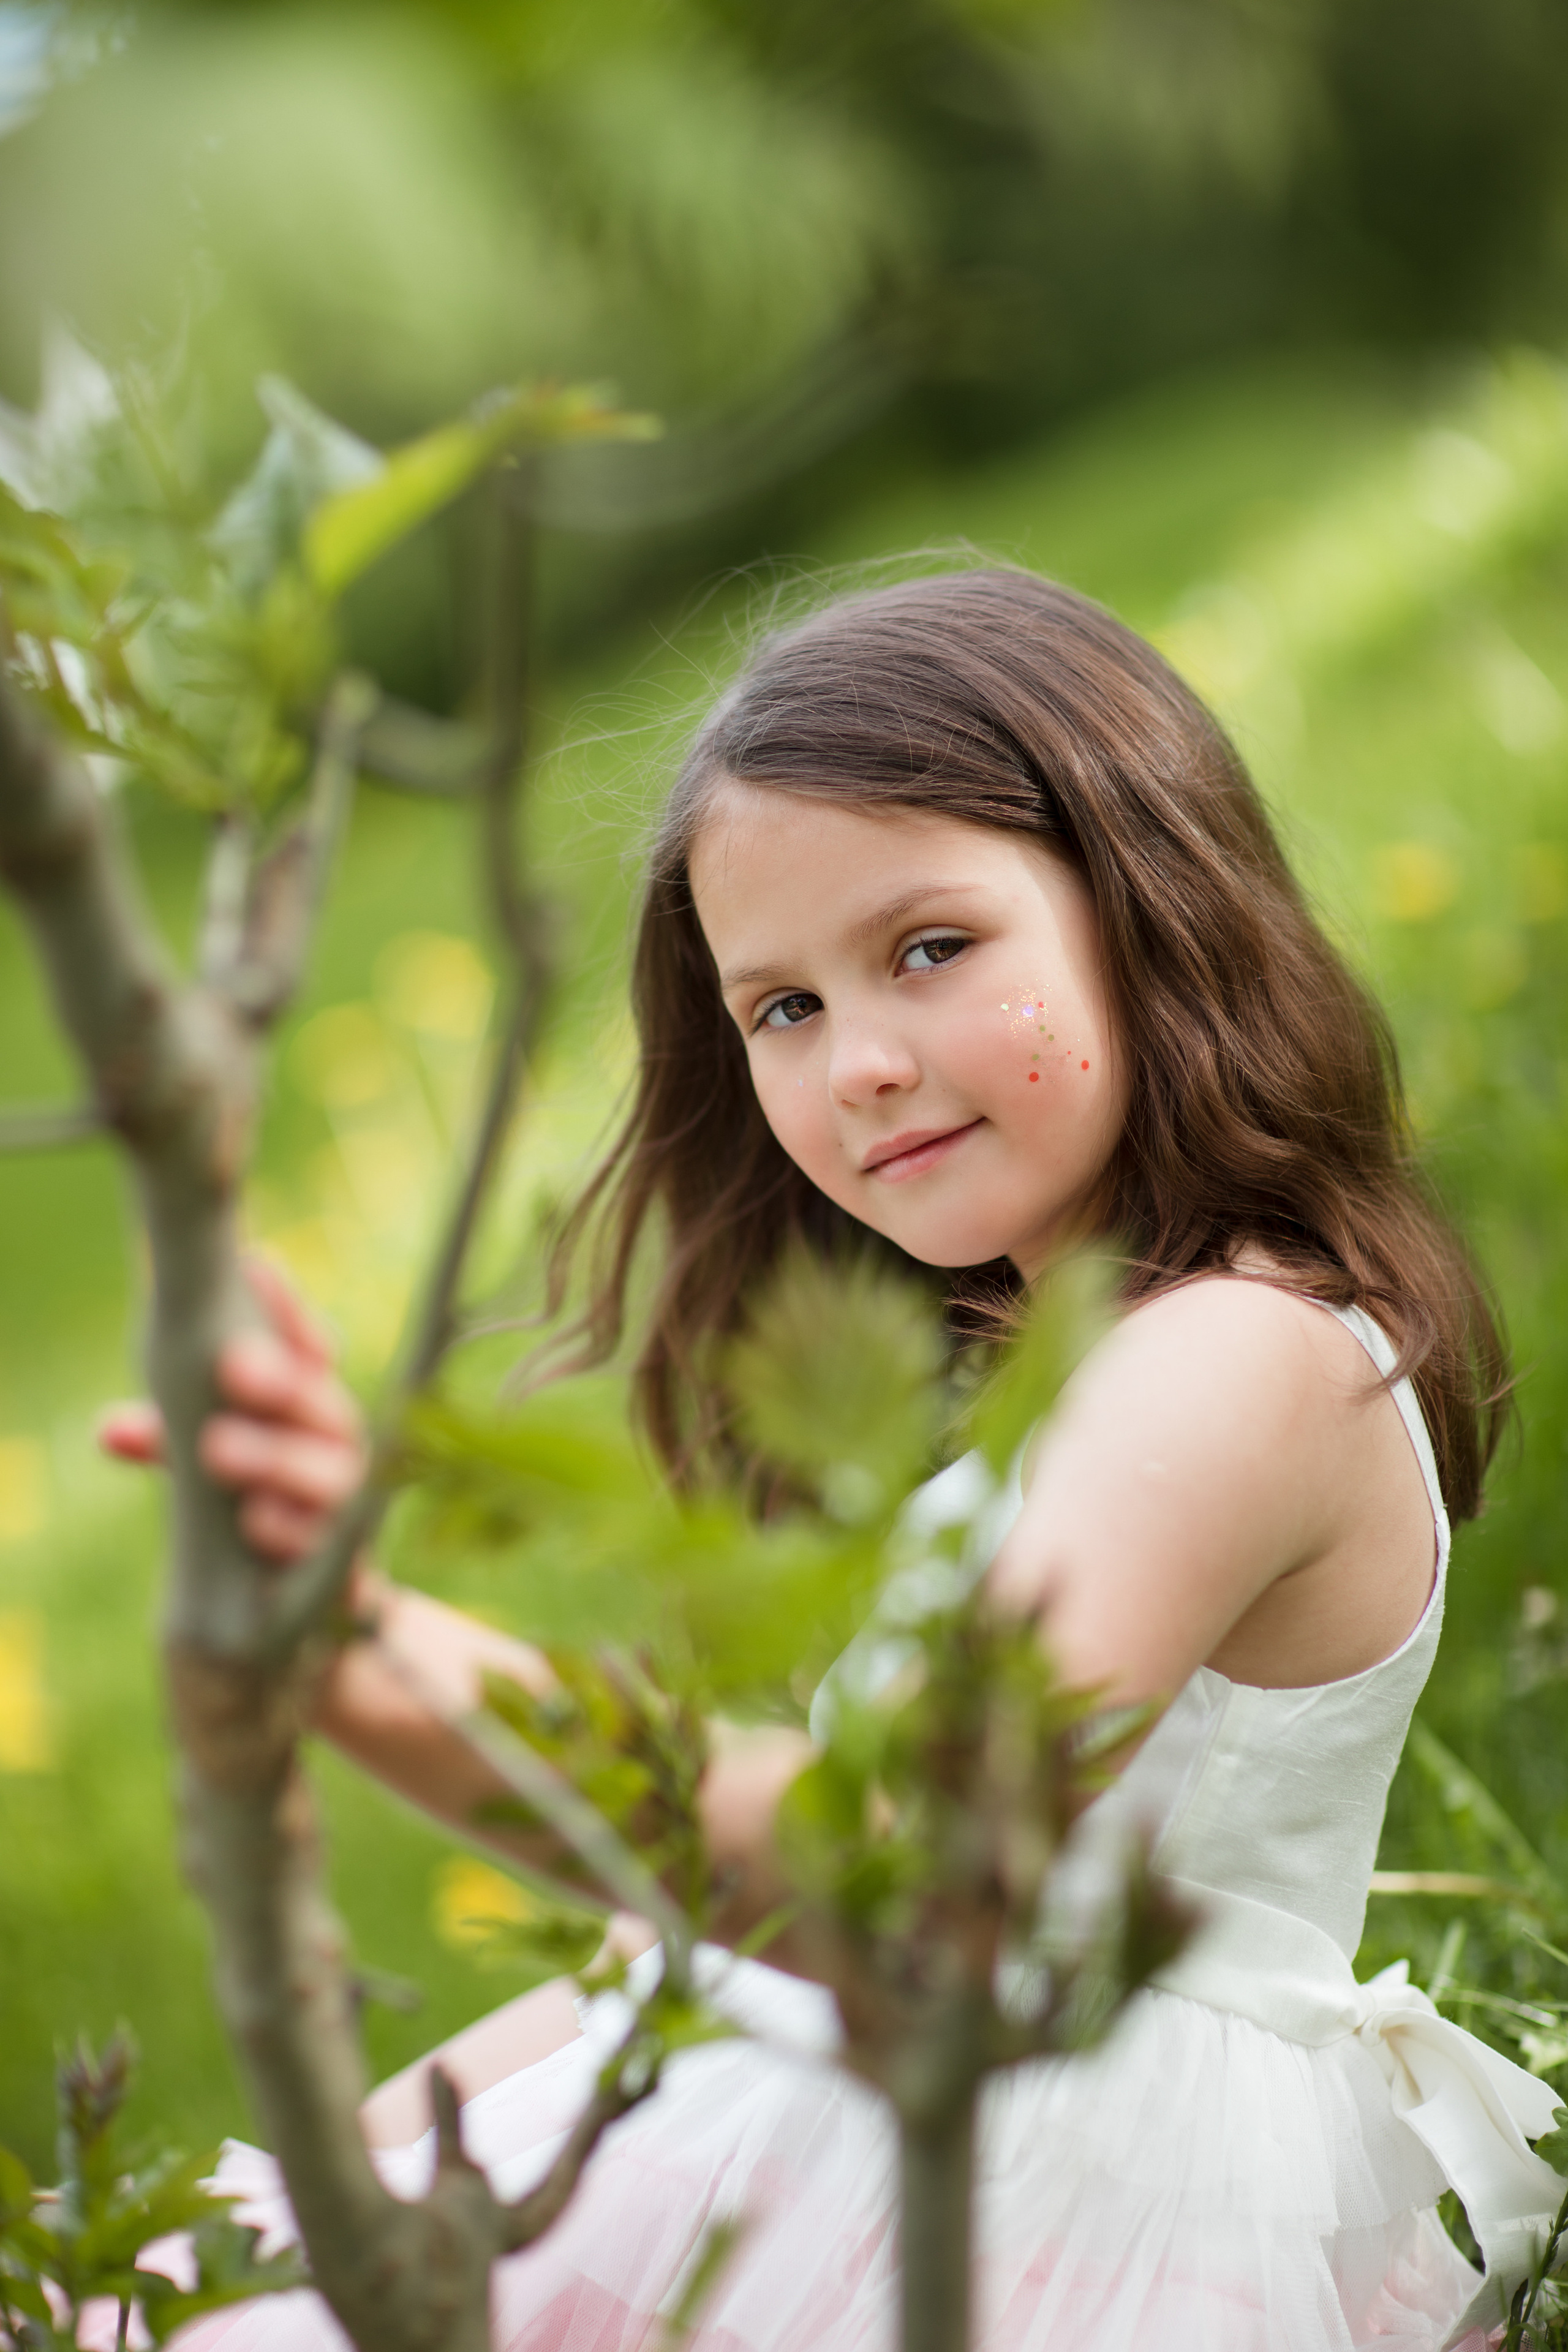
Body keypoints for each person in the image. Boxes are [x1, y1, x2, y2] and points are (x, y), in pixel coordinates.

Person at [102, 570, 1563, 2351]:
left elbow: (905, 1864)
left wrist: (379, 1664)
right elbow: (717, 1960)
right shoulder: (1095, 1369)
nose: (859, 1064)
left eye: (930, 950)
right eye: (780, 1009)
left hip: (1043, 2196)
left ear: (1150, 902)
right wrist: (327, 2187)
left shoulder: (1238, 1363)